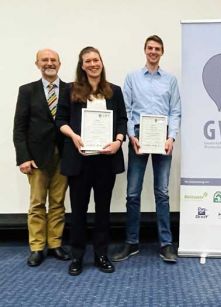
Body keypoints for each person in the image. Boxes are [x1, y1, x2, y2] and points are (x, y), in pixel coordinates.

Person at [56, 46, 127, 276]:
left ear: (101, 62)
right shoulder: (70, 90)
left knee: (103, 210)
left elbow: (122, 120)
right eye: (88, 61)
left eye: (96, 60)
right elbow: (61, 120)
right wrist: (74, 137)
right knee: (78, 210)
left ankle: (101, 254)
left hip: (105, 160)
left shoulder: (114, 91)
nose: (93, 64)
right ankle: (77, 256)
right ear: (82, 65)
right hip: (80, 159)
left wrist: (118, 141)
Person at [111, 35, 181, 263]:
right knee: (133, 192)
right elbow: (127, 110)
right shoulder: (132, 78)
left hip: (163, 138)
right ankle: (131, 243)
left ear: (162, 52)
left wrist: (171, 137)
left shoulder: (170, 80)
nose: (153, 52)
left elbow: (175, 111)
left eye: (157, 49)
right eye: (150, 48)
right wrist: (132, 136)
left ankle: (166, 244)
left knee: (162, 192)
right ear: (144, 50)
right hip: (139, 137)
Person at [13, 49, 70, 267]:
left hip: (63, 156)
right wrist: (23, 158)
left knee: (57, 203)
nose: (49, 63)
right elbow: (19, 127)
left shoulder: (69, 90)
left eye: (53, 60)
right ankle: (37, 247)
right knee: (37, 203)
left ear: (59, 63)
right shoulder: (27, 91)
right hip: (36, 158)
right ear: (37, 63)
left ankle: (55, 244)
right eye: (44, 60)